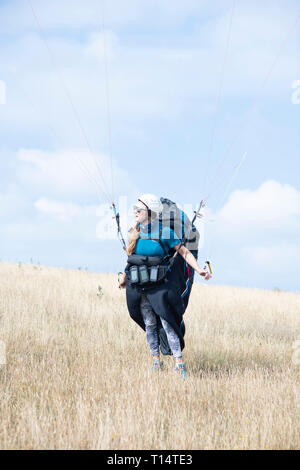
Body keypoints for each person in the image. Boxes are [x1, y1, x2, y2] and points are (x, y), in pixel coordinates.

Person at [118, 194, 211, 379]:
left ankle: (179, 364)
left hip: (159, 286)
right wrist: (124, 277)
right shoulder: (135, 232)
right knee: (150, 324)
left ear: (150, 212)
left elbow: (184, 253)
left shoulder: (166, 232)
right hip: (140, 286)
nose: (135, 212)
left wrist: (199, 269)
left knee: (168, 323)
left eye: (139, 209)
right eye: (134, 209)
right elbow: (134, 260)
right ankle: (155, 361)